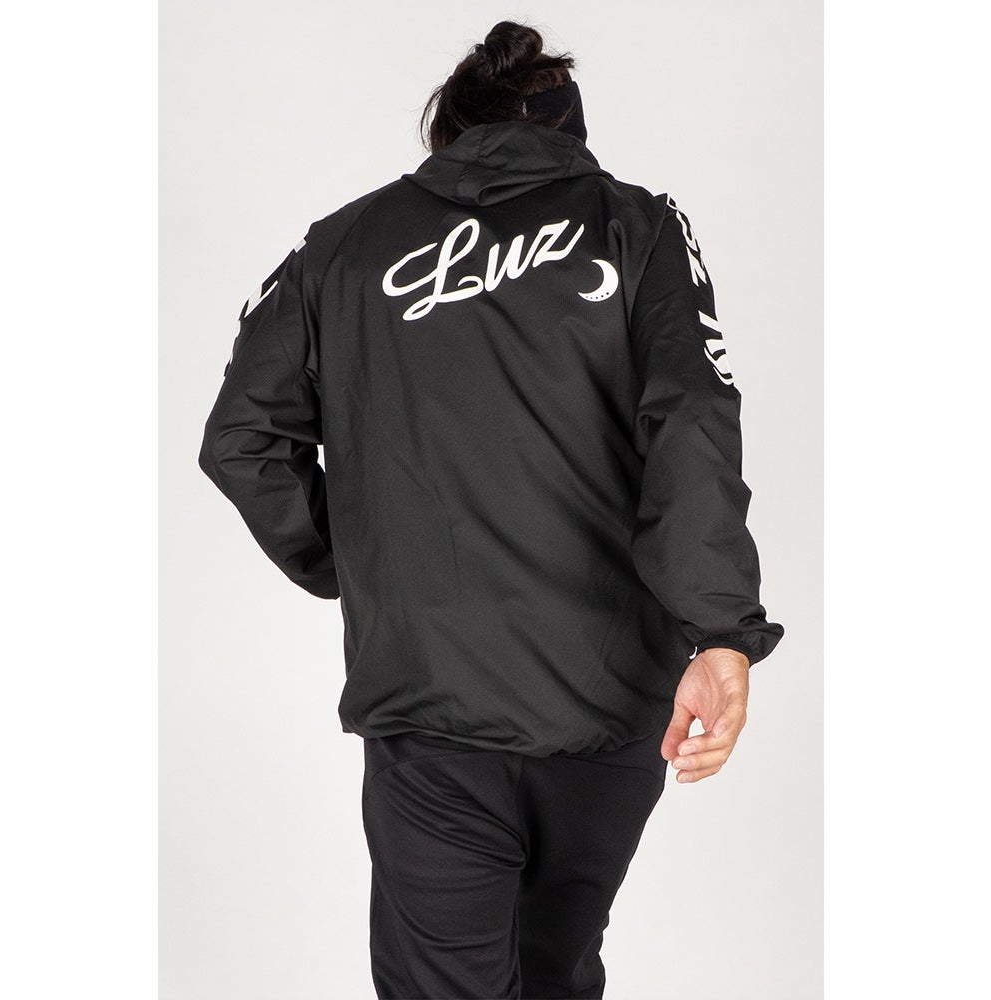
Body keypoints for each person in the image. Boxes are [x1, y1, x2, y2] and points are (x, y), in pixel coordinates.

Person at [198, 19, 784, 1000]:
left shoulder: (341, 247)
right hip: (607, 704)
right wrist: (720, 631)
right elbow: (692, 423)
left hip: (430, 703)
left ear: (449, 131)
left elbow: (242, 438)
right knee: (553, 972)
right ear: (570, 129)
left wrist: (354, 560)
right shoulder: (636, 227)